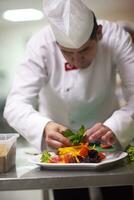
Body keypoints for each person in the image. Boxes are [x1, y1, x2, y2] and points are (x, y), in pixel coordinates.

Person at [3, 0, 134, 199]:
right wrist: (44, 126)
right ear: (57, 45)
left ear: (98, 33)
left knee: (117, 193)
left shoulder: (116, 36)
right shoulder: (40, 45)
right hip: (61, 147)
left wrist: (116, 125)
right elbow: (14, 105)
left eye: (84, 50)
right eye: (67, 53)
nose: (76, 60)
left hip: (109, 139)